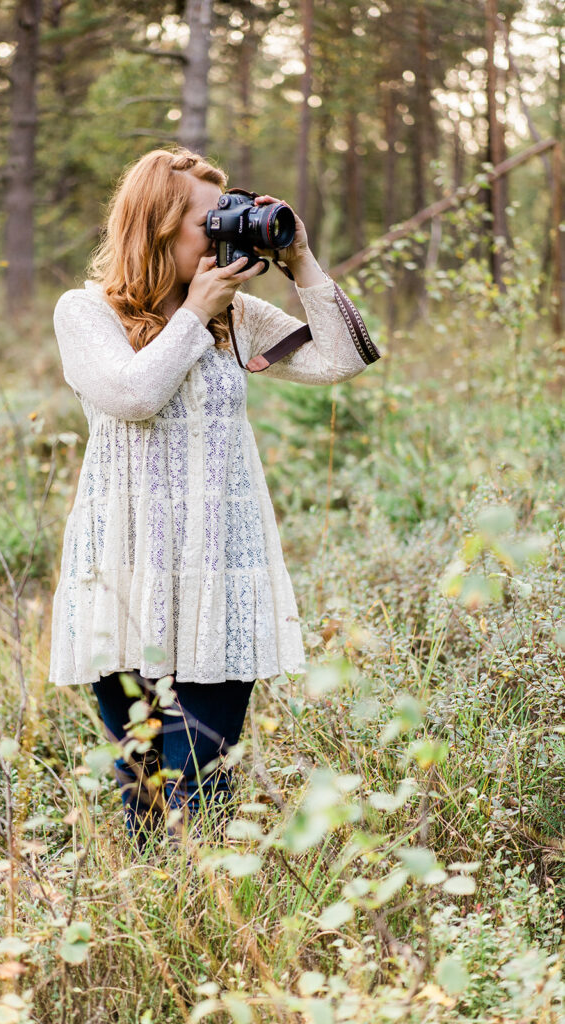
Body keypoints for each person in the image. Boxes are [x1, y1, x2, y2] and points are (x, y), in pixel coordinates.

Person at [48, 147, 380, 852]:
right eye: (209, 219)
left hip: (217, 572)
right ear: (158, 225)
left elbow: (342, 359)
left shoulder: (234, 316)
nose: (225, 231)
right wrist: (193, 314)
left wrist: (303, 263)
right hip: (124, 568)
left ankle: (205, 919)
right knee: (138, 774)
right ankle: (147, 921)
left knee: (200, 770)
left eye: (231, 214)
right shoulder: (86, 312)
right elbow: (133, 395)